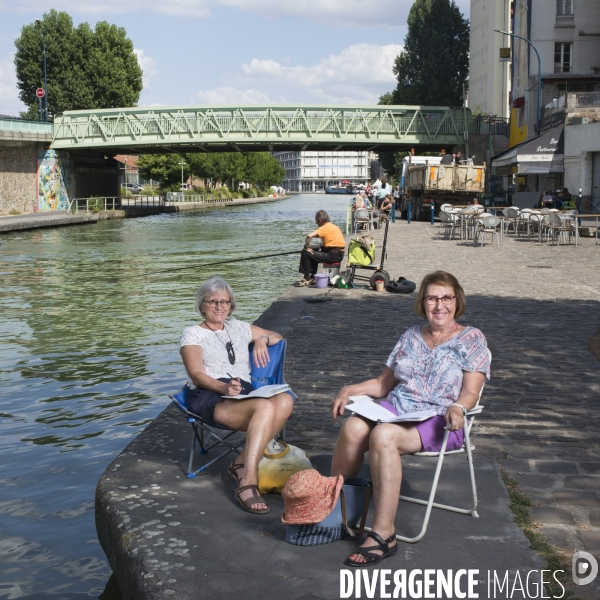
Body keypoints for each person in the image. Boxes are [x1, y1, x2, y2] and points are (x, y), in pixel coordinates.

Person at [330, 271, 490, 566]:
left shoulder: (472, 339)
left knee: (383, 435)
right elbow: (383, 384)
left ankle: (383, 534)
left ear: (457, 301)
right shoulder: (410, 336)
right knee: (353, 427)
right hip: (401, 407)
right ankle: (335, 512)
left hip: (443, 418)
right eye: (432, 298)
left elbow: (470, 392)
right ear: (422, 302)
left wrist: (458, 408)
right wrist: (350, 389)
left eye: (446, 298)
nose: (439, 305)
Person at [180, 276, 294, 514]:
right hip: (210, 393)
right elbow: (197, 373)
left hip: (243, 392)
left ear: (231, 304)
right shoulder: (192, 333)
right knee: (264, 408)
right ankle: (247, 482)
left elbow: (277, 336)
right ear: (202, 305)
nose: (220, 307)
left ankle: (239, 462)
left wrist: (262, 339)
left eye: (225, 301)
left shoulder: (240, 327)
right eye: (213, 302)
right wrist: (222, 388)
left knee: (285, 400)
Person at [296, 210, 345, 286]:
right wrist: (311, 247)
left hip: (333, 255)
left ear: (320, 220)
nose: (316, 223)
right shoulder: (333, 226)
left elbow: (309, 236)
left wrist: (305, 247)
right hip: (339, 254)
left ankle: (306, 278)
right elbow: (327, 243)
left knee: (305, 253)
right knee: (313, 251)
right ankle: (312, 277)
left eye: (316, 220)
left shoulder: (324, 228)